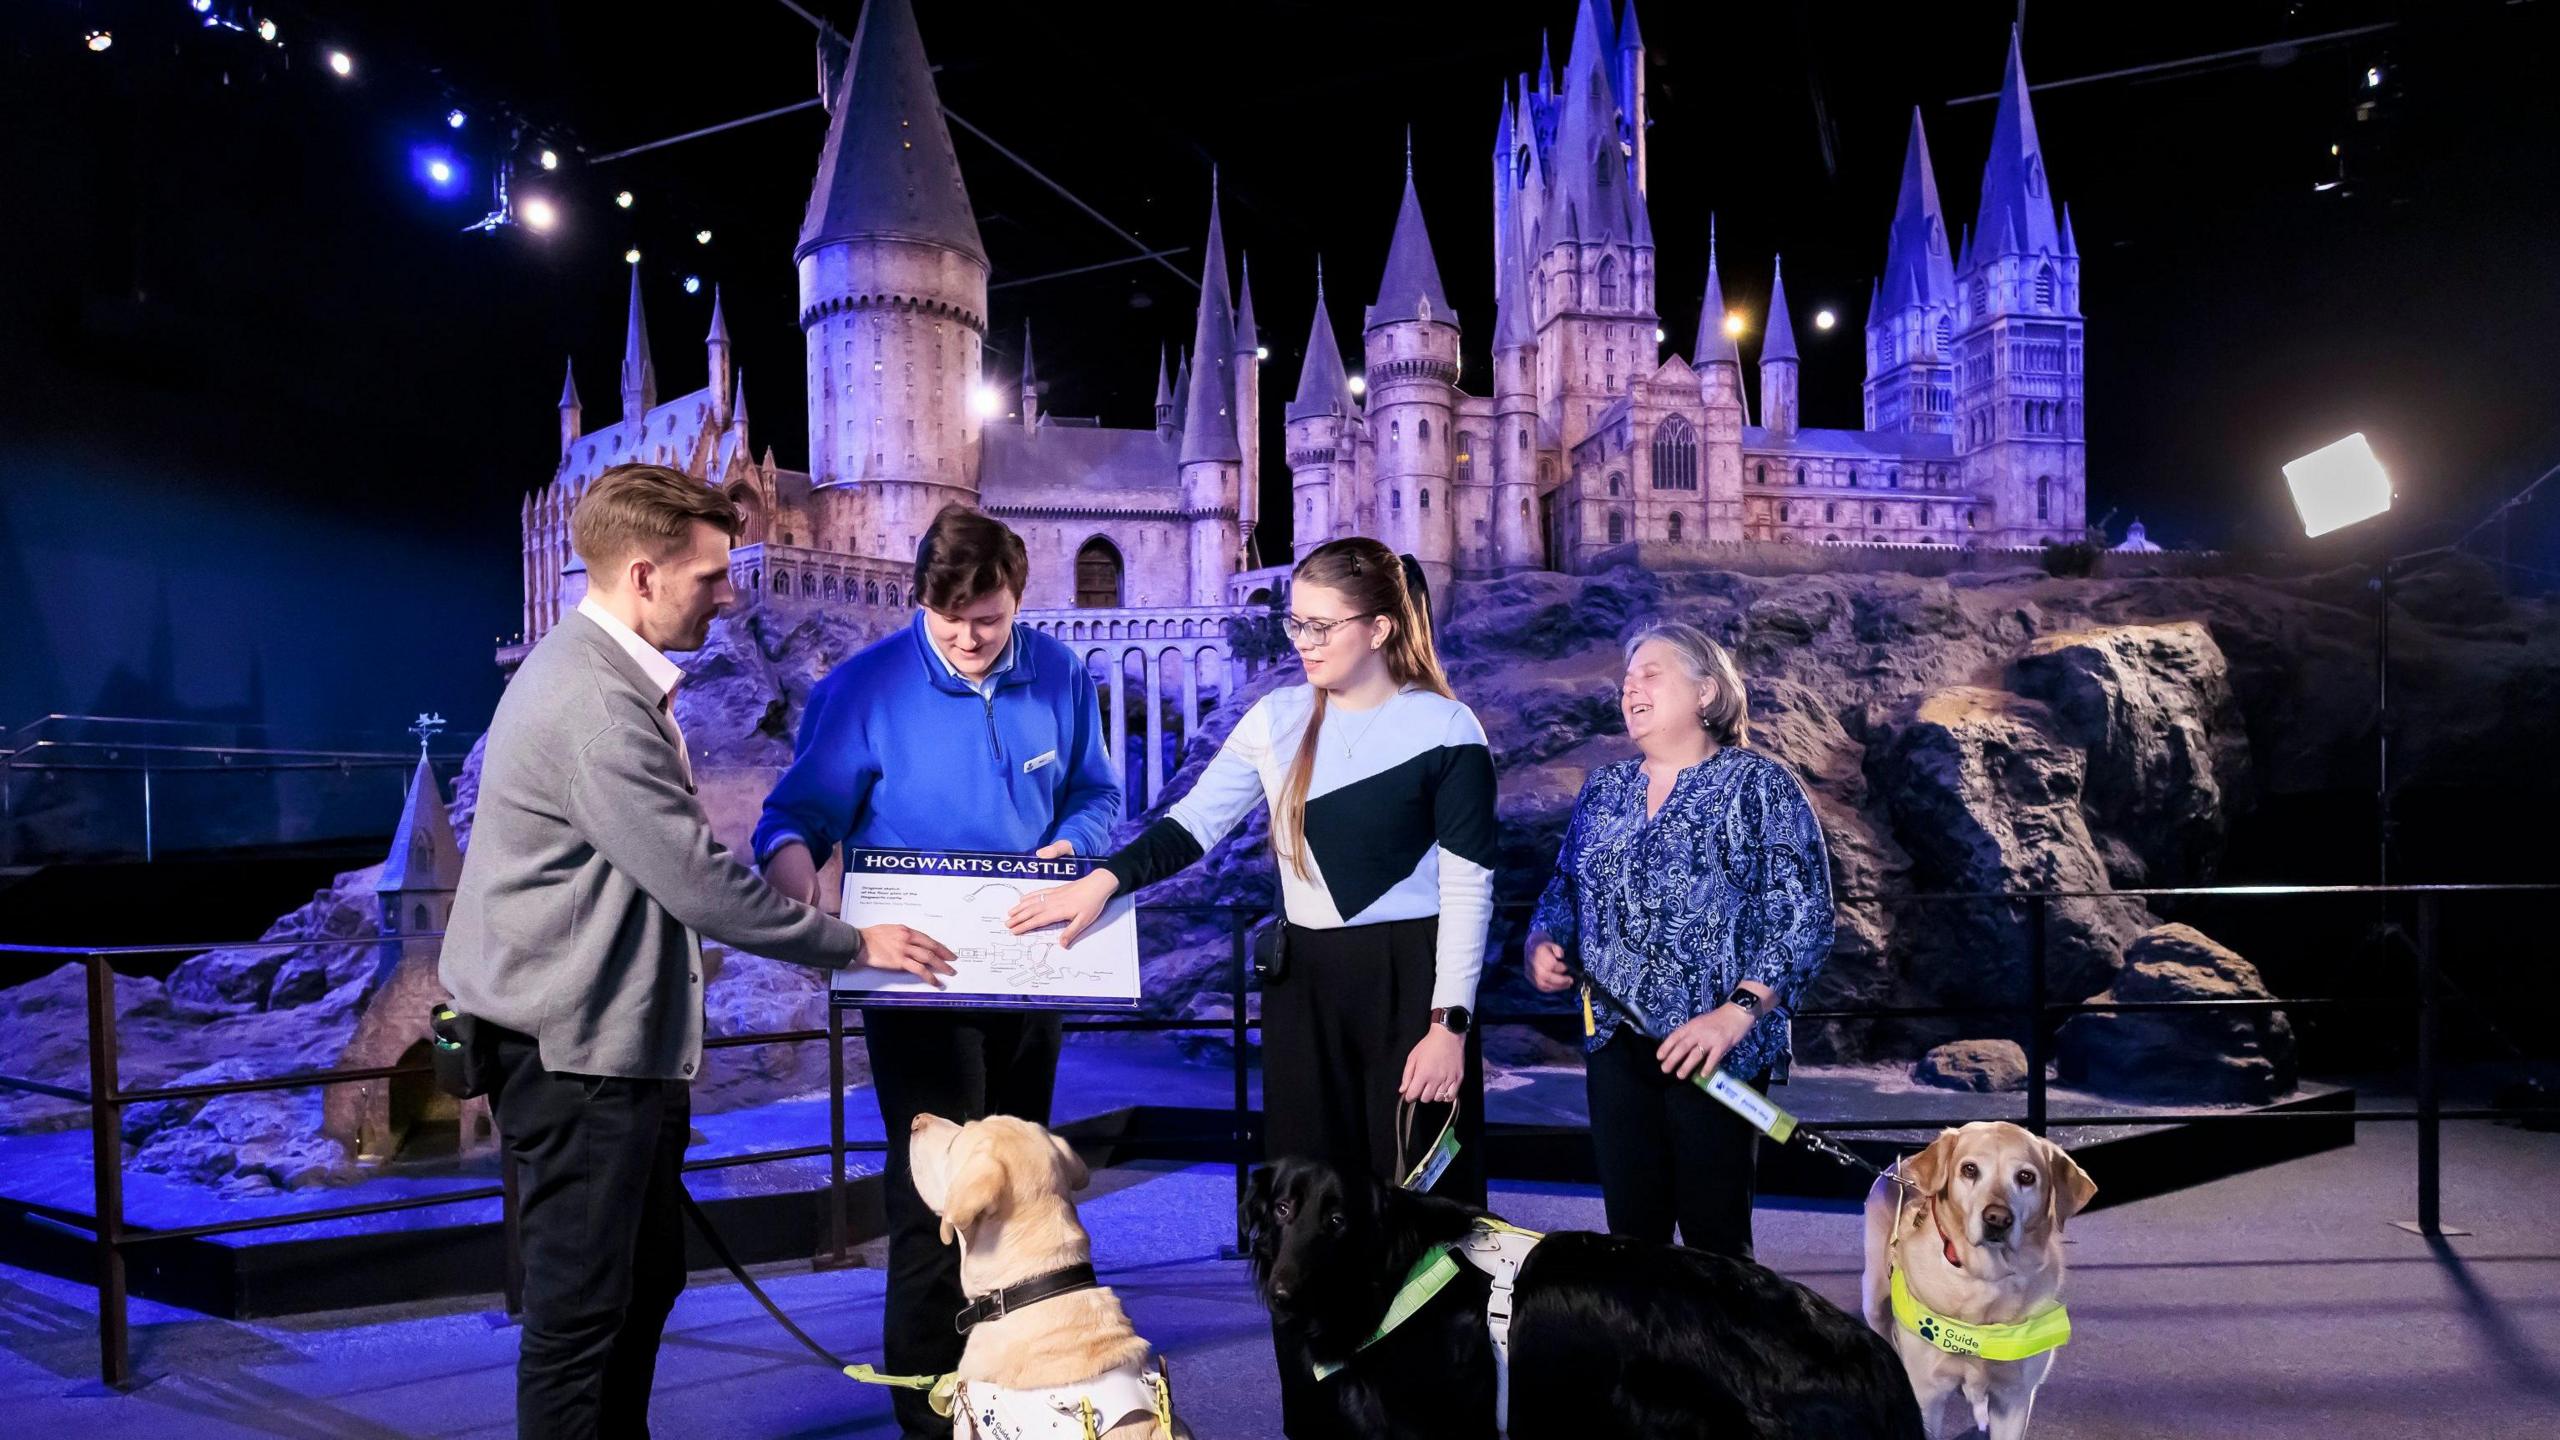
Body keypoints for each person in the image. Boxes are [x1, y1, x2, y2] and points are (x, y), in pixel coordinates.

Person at [441, 463, 955, 1439]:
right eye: (710, 576)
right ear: (641, 576)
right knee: (582, 1315)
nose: (730, 595)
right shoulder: (594, 701)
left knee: (638, 1285)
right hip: (577, 1063)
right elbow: (697, 882)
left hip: (606, 1056)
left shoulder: (601, 676)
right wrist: (851, 942)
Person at [1005, 536, 1497, 1440]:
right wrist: (1102, 881)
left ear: (1381, 626)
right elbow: (1189, 825)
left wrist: (1450, 1023)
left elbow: (1470, 881)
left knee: (1430, 1225)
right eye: (1294, 621)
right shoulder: (1275, 719)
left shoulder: (1446, 728)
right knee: (1298, 1221)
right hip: (1306, 991)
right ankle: (1311, 1426)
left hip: (1413, 993)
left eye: (1320, 623)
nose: (1301, 638)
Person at [753, 504, 1120, 1440]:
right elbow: (792, 821)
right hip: (916, 982)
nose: (968, 638)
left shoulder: (1063, 674)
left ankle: (1017, 1399)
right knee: (939, 1209)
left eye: (989, 620)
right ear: (919, 598)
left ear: (1018, 602)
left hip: (1032, 971)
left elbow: (1097, 794)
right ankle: (931, 1419)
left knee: (1028, 1192)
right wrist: (813, 906)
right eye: (949, 618)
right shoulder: (864, 688)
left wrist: (1069, 847)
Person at [1525, 620, 1834, 1261]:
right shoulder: (1602, 791)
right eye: (1626, 679)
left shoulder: (1761, 786)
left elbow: (1804, 916)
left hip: (1717, 1052)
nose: (1629, 688)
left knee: (1716, 1245)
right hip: (1613, 1042)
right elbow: (1562, 892)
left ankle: (1726, 1364)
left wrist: (1737, 1013)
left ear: (1705, 692)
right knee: (1630, 1243)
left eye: (1650, 674)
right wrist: (1544, 946)